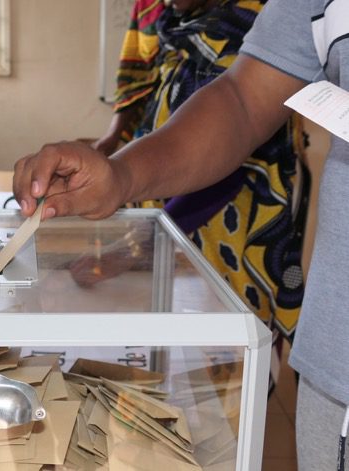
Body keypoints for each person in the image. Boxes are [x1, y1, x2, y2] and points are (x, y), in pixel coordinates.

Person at [12, 0, 347, 467]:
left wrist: (129, 245)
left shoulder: (241, 15)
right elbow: (243, 101)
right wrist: (119, 174)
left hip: (230, 247)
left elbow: (240, 173)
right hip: (336, 362)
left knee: (214, 400)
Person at [95, 0, 309, 392]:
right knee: (162, 367)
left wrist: (137, 249)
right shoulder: (174, 23)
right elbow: (141, 88)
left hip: (225, 238)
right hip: (169, 226)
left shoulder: (256, 32)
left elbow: (228, 171)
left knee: (216, 388)